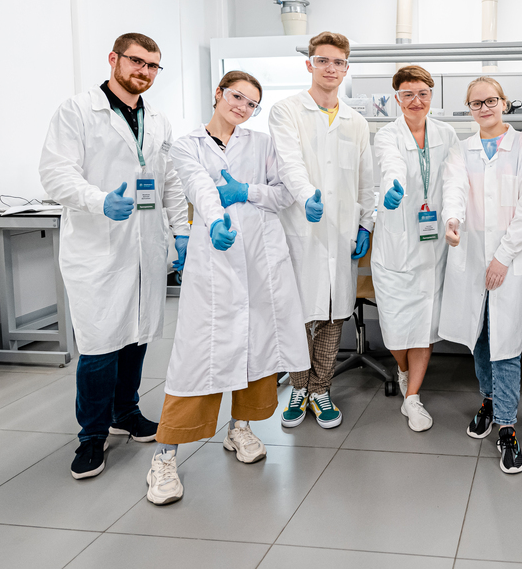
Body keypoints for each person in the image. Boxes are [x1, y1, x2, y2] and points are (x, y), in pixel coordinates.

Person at [143, 71, 311, 505]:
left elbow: (282, 195)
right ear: (218, 94)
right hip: (215, 258)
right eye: (237, 97)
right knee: (198, 353)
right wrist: (217, 218)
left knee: (257, 345)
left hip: (260, 256)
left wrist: (247, 191)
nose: (243, 107)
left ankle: (241, 428)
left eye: (252, 103)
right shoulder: (187, 145)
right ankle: (165, 455)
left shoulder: (263, 143)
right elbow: (199, 186)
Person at [40, 33, 190, 479]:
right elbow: (55, 173)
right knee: (100, 343)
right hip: (98, 248)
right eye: (137, 61)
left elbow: (170, 181)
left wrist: (182, 232)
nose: (144, 71)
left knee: (137, 334)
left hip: (145, 246)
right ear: (114, 59)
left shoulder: (157, 120)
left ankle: (126, 412)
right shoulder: (77, 111)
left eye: (152, 66)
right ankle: (92, 435)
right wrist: (99, 200)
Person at [269, 31, 374, 429]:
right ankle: (299, 387)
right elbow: (289, 163)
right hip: (301, 227)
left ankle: (321, 389)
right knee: (298, 314)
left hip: (342, 232)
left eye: (339, 62)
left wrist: (365, 223)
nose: (331, 68)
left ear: (346, 69)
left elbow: (365, 178)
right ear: (309, 63)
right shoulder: (286, 111)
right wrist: (305, 196)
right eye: (323, 60)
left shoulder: (356, 121)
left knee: (333, 315)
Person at [440, 76, 522, 474]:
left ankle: (507, 427)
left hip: (509, 261)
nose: (484, 108)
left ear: (504, 103)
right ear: (469, 109)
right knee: (480, 337)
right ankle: (489, 399)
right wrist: (452, 220)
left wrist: (502, 257)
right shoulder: (461, 149)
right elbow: (454, 189)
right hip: (471, 259)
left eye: (491, 101)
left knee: (506, 345)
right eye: (476, 103)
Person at [371, 66, 458, 431]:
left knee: (424, 325)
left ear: (431, 95)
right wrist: (394, 187)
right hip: (395, 243)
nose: (416, 101)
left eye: (422, 93)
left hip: (432, 243)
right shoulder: (386, 135)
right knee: (395, 327)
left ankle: (413, 396)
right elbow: (390, 164)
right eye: (408, 94)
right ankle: (402, 368)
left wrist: (453, 217)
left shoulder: (446, 133)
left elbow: (453, 180)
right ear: (397, 98)